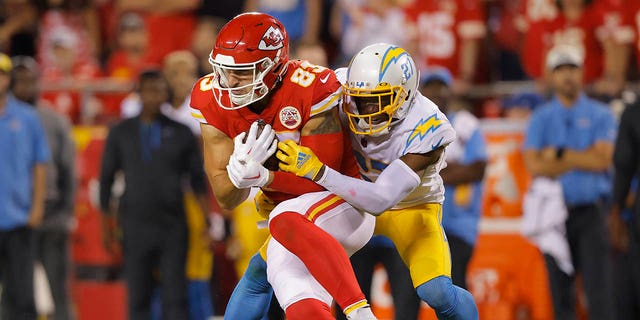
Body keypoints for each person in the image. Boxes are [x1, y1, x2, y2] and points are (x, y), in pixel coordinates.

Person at [189, 12, 376, 319]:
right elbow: (225, 197)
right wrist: (239, 178)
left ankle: (359, 312)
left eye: (241, 72)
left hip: (340, 202)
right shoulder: (211, 98)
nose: (228, 81)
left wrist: (264, 177)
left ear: (271, 67)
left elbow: (323, 180)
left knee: (283, 226)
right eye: (223, 70)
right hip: (291, 214)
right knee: (272, 278)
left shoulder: (312, 87)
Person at [99, 70, 209, 320]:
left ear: (166, 94)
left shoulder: (182, 133)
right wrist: (105, 227)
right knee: (138, 296)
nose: (153, 96)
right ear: (138, 93)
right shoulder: (120, 132)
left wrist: (207, 222)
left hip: (173, 225)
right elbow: (106, 181)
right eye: (148, 90)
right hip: (135, 224)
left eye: (159, 90)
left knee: (175, 296)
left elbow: (197, 181)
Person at [522, 44, 616, 320]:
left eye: (572, 68)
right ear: (551, 76)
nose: (567, 76)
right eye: (561, 69)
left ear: (582, 73)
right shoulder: (541, 118)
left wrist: (560, 154)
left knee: (598, 289)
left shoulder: (601, 113)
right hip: (553, 214)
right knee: (559, 290)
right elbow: (534, 165)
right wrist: (582, 158)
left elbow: (602, 161)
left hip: (590, 210)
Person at [11, 55, 75, 320]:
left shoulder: (54, 120)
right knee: (15, 290)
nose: (26, 87)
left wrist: (65, 213)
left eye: (30, 81)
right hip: (12, 218)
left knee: (58, 290)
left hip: (51, 213)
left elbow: (68, 170)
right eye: (19, 82)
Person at [420, 67, 487, 290]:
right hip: (420, 223)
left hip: (458, 224)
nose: (436, 92)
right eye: (430, 86)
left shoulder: (466, 124)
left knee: (455, 286)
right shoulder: (413, 125)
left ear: (451, 92)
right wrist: (452, 169)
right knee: (413, 293)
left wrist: (428, 171)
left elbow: (477, 169)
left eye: (442, 86)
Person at [0, 52, 49, 320]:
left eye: (2, 74)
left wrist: (37, 207)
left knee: (22, 294)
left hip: (19, 218)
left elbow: (39, 164)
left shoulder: (27, 117)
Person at [609, 99, 640, 320]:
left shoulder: (634, 113)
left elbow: (623, 167)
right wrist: (617, 211)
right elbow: (623, 166)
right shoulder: (634, 113)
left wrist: (616, 211)